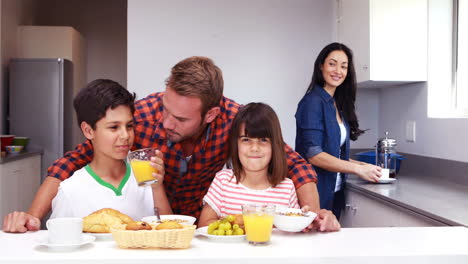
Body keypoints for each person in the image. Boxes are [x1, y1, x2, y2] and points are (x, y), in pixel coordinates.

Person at [3, 56, 339, 233]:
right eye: (166, 108)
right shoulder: (144, 115)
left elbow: (294, 162)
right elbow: (72, 161)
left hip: (205, 231)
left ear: (211, 115)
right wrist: (33, 218)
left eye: (179, 119)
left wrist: (312, 214)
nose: (165, 122)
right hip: (157, 229)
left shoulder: (235, 120)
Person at [52, 79, 171, 220]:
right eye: (114, 127)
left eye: (129, 126)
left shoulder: (146, 177)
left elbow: (169, 231)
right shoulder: (70, 191)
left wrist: (158, 188)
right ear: (88, 130)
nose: (125, 136)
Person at [295, 43, 382, 219]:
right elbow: (314, 154)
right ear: (321, 66)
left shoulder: (336, 104)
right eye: (332, 64)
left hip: (334, 190)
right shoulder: (312, 102)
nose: (338, 71)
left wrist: (361, 165)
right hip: (315, 190)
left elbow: (332, 153)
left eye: (344, 66)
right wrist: (356, 170)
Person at [198, 103, 299, 227]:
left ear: (275, 146)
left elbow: (294, 226)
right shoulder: (223, 181)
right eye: (246, 140)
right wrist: (240, 225)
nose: (254, 148)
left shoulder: (286, 188)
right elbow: (204, 225)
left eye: (263, 140)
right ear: (236, 144)